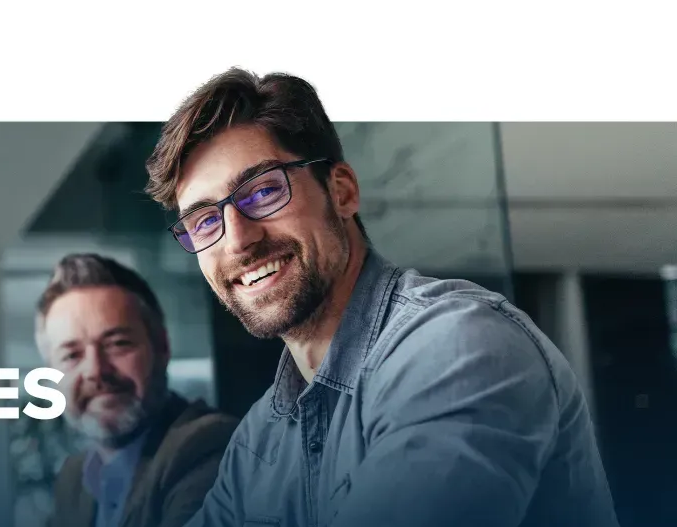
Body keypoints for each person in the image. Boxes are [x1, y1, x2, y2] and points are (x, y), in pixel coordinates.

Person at [145, 68, 619, 527]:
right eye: (205, 221)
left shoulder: (456, 348)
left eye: (264, 191)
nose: (237, 240)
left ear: (343, 191)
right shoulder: (260, 438)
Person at [36, 253, 239, 527]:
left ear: (162, 347)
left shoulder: (208, 446)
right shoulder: (74, 477)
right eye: (71, 355)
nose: (95, 370)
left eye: (118, 343)